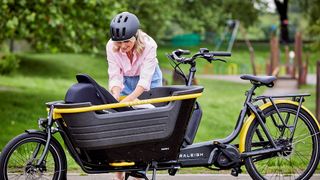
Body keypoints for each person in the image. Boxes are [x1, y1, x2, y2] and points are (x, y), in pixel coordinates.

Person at [106, 12, 163, 180]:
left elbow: (145, 81)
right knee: (122, 123)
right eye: (119, 42)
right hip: (126, 80)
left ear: (135, 37)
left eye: (127, 41)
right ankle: (120, 172)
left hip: (150, 80)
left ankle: (140, 170)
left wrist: (130, 100)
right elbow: (115, 75)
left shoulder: (149, 45)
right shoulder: (111, 46)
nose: (122, 46)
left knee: (145, 122)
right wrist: (115, 97)